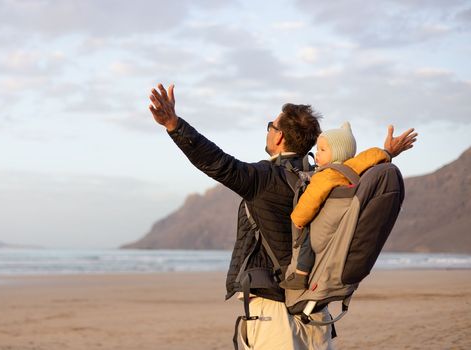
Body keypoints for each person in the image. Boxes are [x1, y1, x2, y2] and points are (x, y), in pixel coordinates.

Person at [148, 83, 417, 350]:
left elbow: (217, 162)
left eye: (271, 126)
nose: (268, 131)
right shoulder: (325, 178)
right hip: (316, 310)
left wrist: (174, 125)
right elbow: (357, 168)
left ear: (278, 137)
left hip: (272, 311)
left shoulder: (264, 179)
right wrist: (387, 153)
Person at [280, 121, 394, 290]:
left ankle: (301, 274)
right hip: (343, 225)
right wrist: (386, 152)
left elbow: (311, 199)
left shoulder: (326, 175)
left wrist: (298, 219)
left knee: (306, 236)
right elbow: (371, 155)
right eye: (317, 149)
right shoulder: (354, 166)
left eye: (323, 150)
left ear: (338, 153)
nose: (317, 154)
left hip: (324, 230)